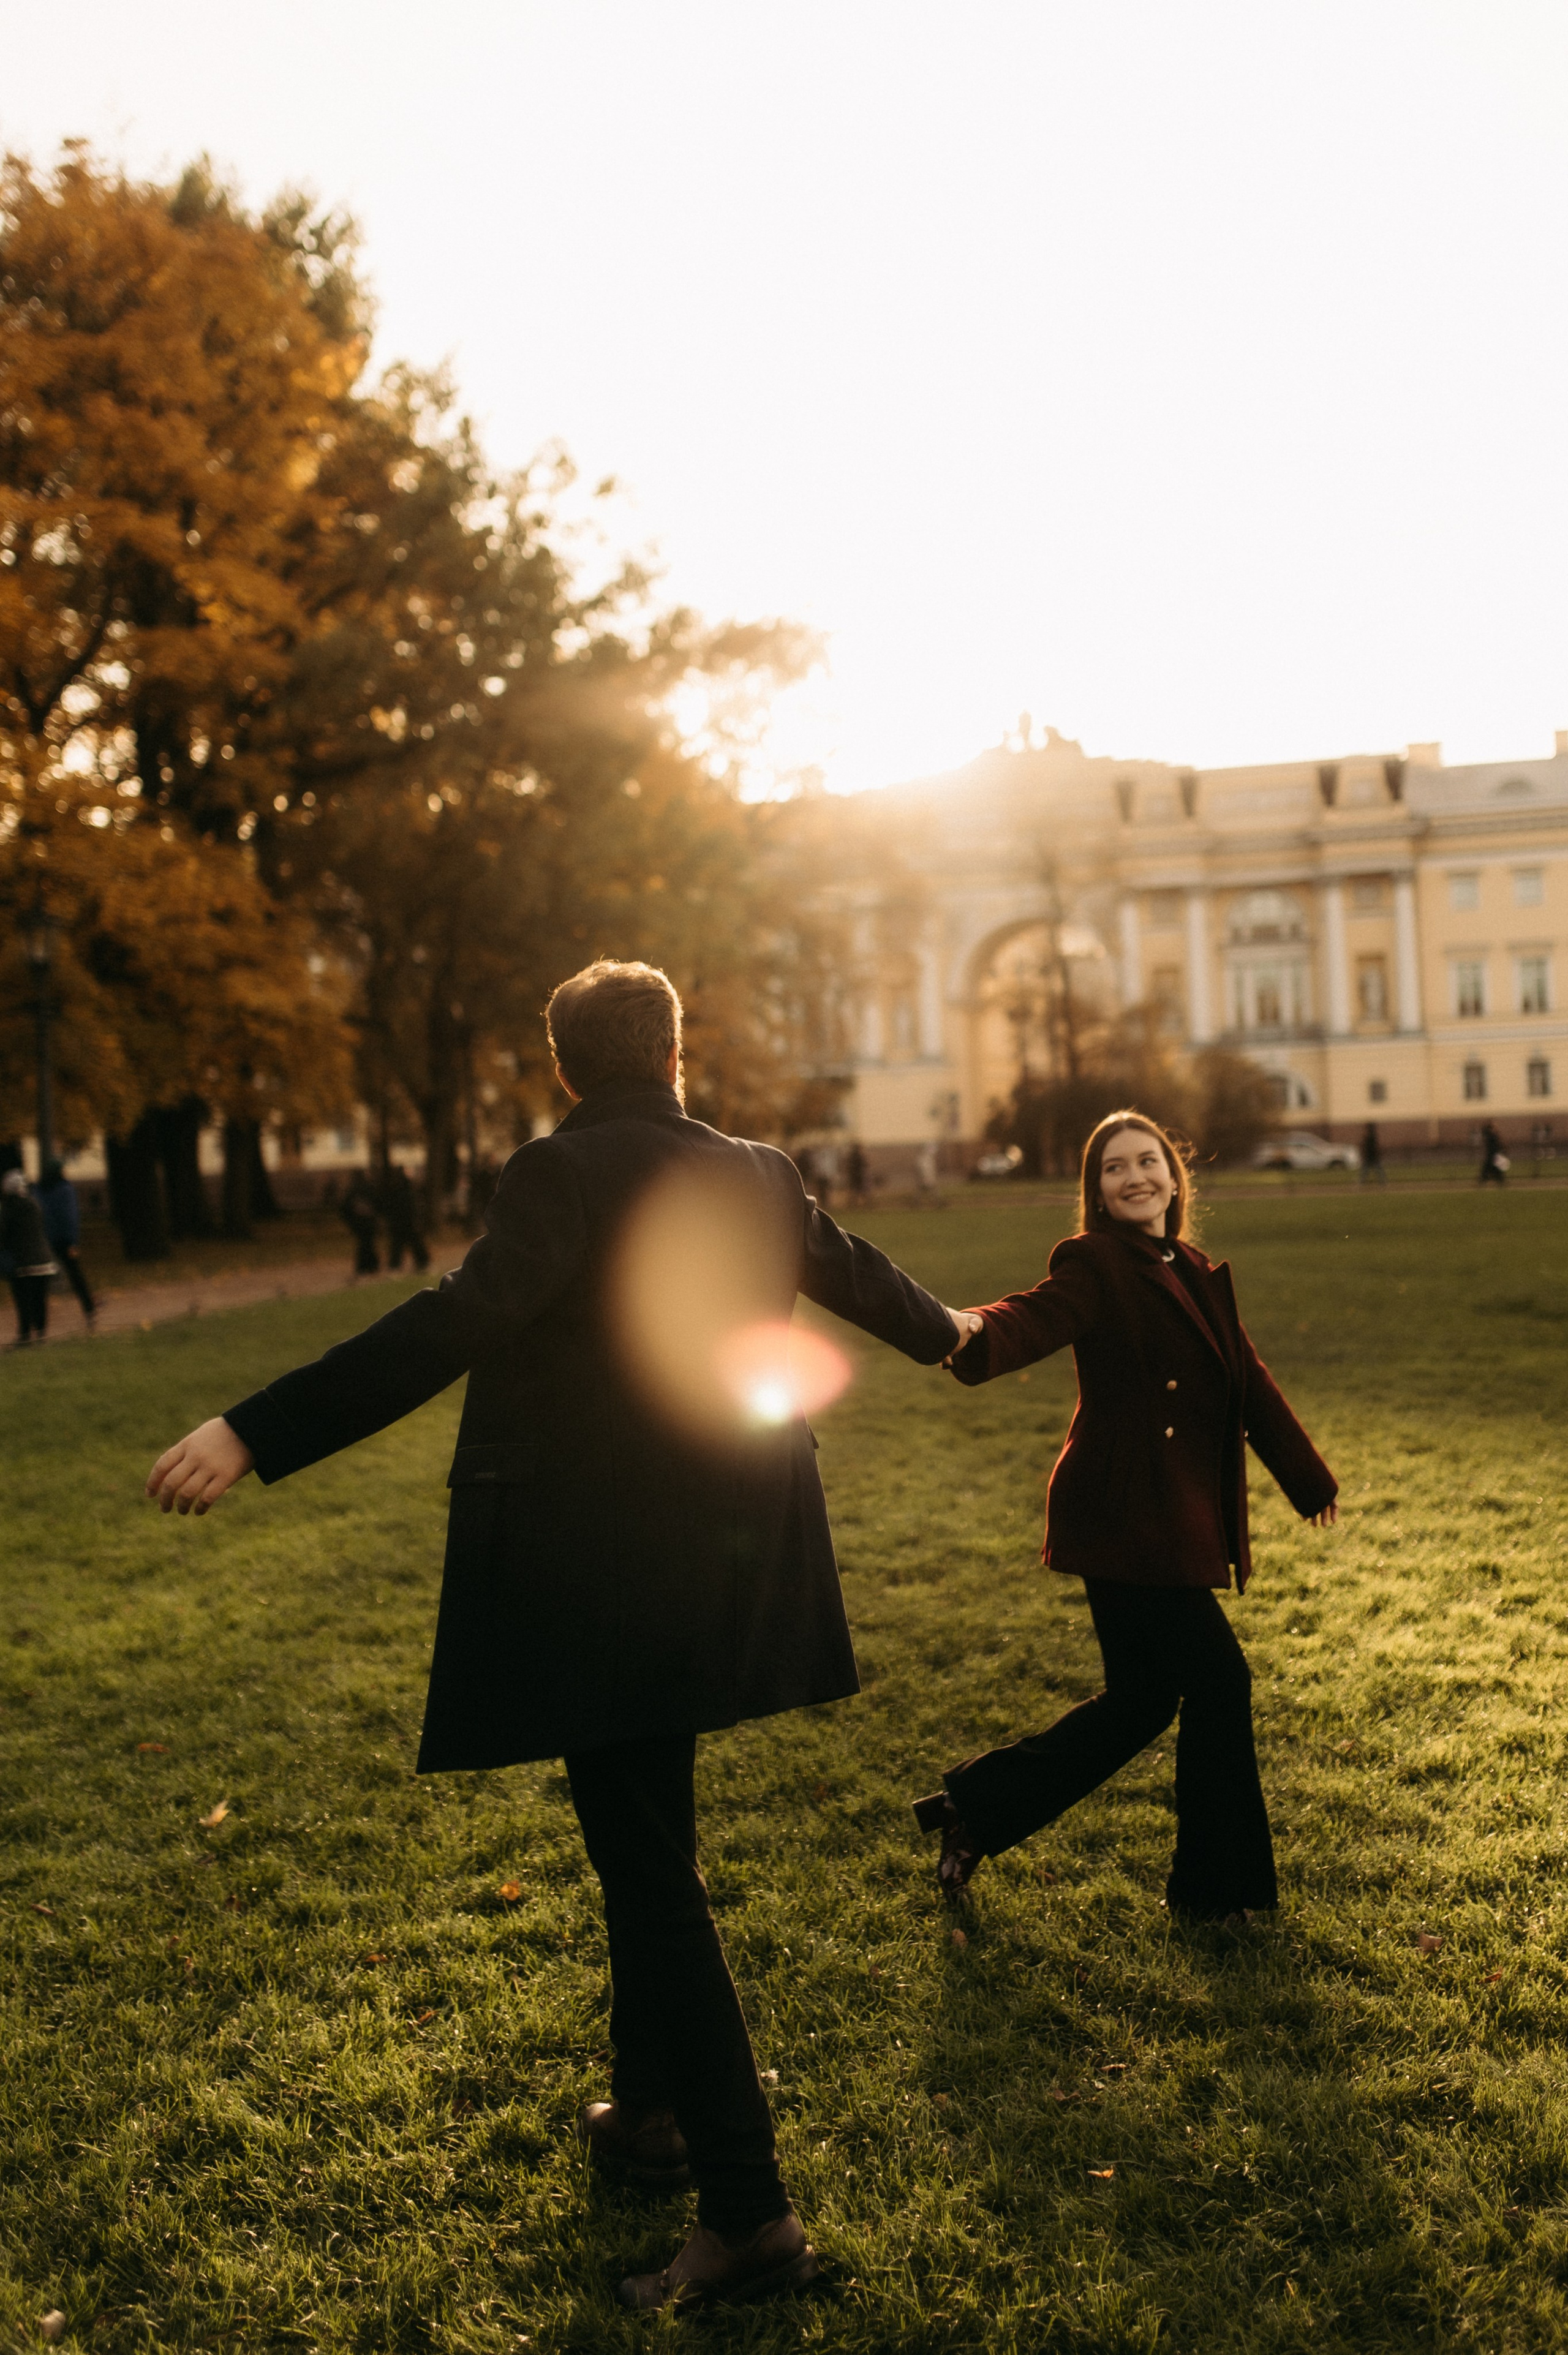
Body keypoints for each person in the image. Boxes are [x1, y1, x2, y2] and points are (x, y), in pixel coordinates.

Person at [145, 959, 964, 2312]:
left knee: (646, 1864)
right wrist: (956, 1333)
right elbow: (853, 1269)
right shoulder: (755, 1167)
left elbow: (450, 1322)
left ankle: (750, 2212)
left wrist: (253, 1427)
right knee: (655, 1827)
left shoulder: (558, 1171)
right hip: (725, 1563)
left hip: (601, 1576)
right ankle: (649, 2116)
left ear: (567, 1068)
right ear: (678, 1052)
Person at [914, 1109, 1338, 1923]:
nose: (1136, 1176)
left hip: (1167, 1520)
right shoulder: (1095, 1262)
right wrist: (967, 1333)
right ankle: (1215, 1895)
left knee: (1142, 1701)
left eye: (1149, 1161)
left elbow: (1247, 1378)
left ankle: (976, 1808)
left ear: (1175, 1179)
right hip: (1121, 1520)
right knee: (1221, 1680)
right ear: (1098, 1194)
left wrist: (1306, 1478)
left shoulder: (1192, 1265)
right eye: (1116, 1168)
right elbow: (1035, 1313)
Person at [34, 1159, 96, 1326]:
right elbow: (70, 1218)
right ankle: (89, 1308)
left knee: (40, 1279)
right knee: (75, 1275)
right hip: (62, 1240)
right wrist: (72, 1242)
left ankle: (38, 1321)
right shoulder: (65, 1190)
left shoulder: (38, 1190)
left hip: (43, 1240)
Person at [1, 1169, 59, 1346]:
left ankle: (25, 1335)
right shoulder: (34, 1204)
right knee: (39, 1299)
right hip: (44, 1260)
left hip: (23, 1263)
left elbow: (3, 1233)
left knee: (23, 1300)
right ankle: (41, 1333)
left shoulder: (10, 1208)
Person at [379, 1162, 430, 1272]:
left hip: (400, 1222)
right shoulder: (406, 1188)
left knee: (401, 1244)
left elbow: (389, 1206)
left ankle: (397, 1265)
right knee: (410, 1243)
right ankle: (421, 1262)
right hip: (406, 1221)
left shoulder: (395, 1188)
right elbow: (412, 1205)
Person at [339, 1170, 382, 1275]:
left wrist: (351, 1221)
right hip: (368, 1222)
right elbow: (378, 1204)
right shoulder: (369, 1188)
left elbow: (344, 1208)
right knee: (368, 1243)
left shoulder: (352, 1191)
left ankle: (365, 1266)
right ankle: (370, 1265)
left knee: (364, 1243)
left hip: (359, 1223)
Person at [1479, 1120, 1509, 1186]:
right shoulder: (1491, 1136)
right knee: (1492, 1168)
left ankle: (1498, 1180)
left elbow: (1498, 1144)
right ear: (1491, 1128)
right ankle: (1498, 1180)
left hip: (1493, 1155)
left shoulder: (1492, 1135)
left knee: (1490, 1168)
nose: (1496, 1128)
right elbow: (1497, 1145)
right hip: (1492, 1155)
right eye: (1494, 1127)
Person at [1359, 1121, 1387, 1187]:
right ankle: (1383, 1183)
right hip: (1372, 1157)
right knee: (1376, 1170)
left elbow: (1367, 1147)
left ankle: (1361, 1183)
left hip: (1371, 1157)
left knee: (1367, 1171)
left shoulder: (1370, 1138)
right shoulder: (1372, 1137)